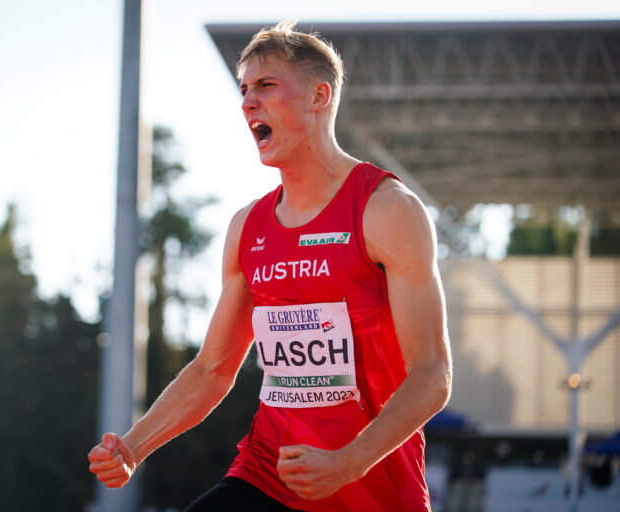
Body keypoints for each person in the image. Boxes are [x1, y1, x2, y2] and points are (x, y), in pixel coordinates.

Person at [88, 20, 452, 511]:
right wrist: (134, 446)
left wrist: (348, 461)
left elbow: (432, 375)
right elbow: (213, 369)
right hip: (266, 475)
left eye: (265, 85)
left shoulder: (386, 210)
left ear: (319, 96)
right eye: (243, 90)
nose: (246, 103)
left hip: (371, 489)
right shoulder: (248, 229)